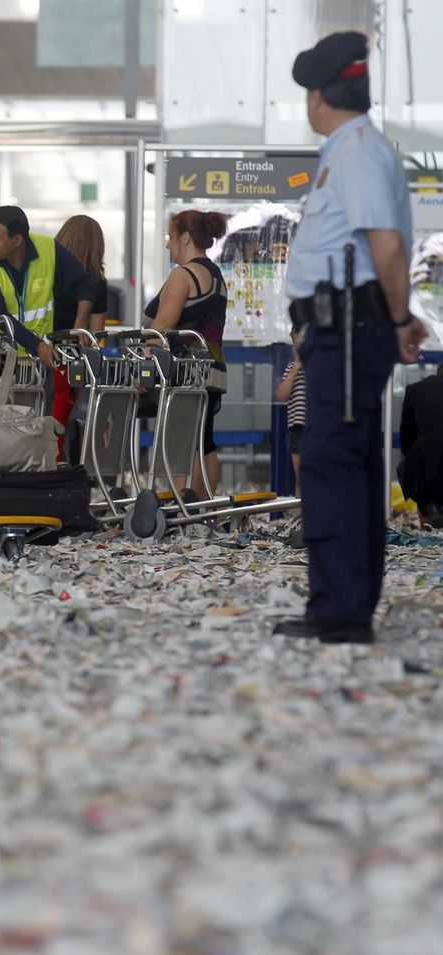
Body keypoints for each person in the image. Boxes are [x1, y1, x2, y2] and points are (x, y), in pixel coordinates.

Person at [273, 32, 427, 644]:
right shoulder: (356, 146)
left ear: (319, 95)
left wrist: (395, 321)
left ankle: (338, 612)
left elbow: (386, 244)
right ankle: (346, 604)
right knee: (350, 462)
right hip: (346, 327)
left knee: (333, 463)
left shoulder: (357, 149)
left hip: (351, 329)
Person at [143, 208, 229, 500]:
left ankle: (181, 503)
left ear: (186, 237)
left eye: (171, 237)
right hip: (213, 369)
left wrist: (141, 365)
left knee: (180, 440)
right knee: (204, 441)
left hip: (184, 372)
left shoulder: (183, 275)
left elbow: (162, 327)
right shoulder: (215, 276)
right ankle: (202, 507)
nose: (168, 244)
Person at [0, 204, 98, 377]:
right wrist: (37, 345)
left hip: (40, 362)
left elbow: (86, 283)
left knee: (41, 404)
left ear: (17, 240)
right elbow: (0, 317)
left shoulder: (49, 249)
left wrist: (79, 325)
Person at [53, 214, 107, 459]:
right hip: (73, 362)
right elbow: (96, 336)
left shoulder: (49, 275)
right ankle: (65, 465)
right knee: (67, 417)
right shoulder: (96, 282)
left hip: (42, 352)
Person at [398, 363, 443, 528]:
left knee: (412, 463)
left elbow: (406, 439)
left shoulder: (416, 390)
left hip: (427, 471)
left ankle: (428, 510)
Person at [275, 324, 306, 498]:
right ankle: (300, 514)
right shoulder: (292, 369)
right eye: (296, 347)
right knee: (300, 475)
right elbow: (281, 395)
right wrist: (296, 369)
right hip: (298, 428)